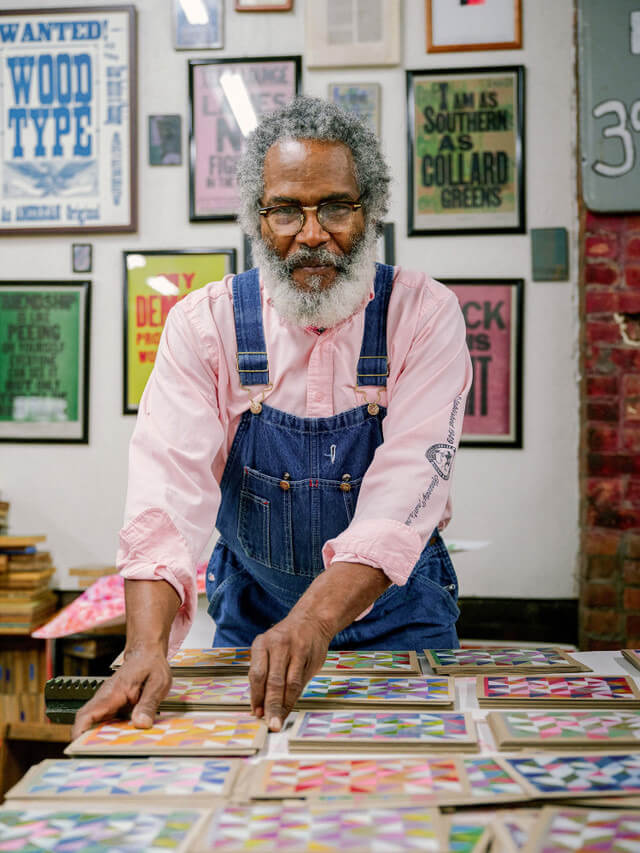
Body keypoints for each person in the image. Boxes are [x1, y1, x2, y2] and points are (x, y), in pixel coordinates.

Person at [72, 97, 472, 739]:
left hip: (402, 613)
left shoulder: (424, 316)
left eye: (335, 207)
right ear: (257, 221)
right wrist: (146, 647)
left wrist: (314, 621)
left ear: (369, 212)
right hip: (256, 616)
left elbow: (406, 495)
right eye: (287, 210)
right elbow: (166, 490)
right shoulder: (205, 325)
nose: (311, 234)